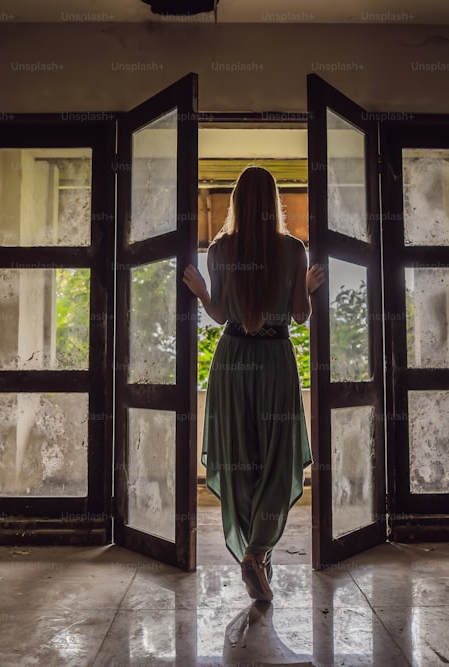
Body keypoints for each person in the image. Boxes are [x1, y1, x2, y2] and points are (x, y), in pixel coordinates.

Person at [182, 165, 325, 602]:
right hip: (276, 361)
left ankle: (252, 554)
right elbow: (301, 316)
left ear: (238, 202)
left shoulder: (221, 249)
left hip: (233, 361)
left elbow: (222, 315)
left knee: (240, 459)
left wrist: (203, 293)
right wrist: (306, 286)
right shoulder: (294, 250)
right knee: (278, 462)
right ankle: (257, 554)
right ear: (274, 202)